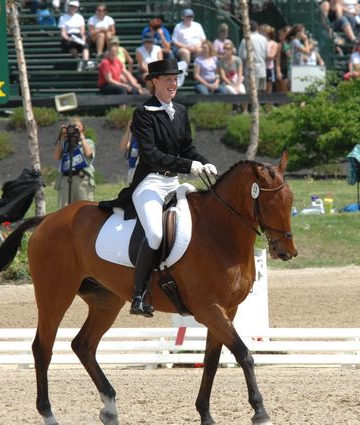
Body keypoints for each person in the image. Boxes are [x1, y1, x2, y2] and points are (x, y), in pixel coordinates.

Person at [101, 58, 218, 316]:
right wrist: (189, 167)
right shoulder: (143, 114)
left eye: (175, 79)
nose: (173, 84)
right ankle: (138, 295)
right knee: (155, 234)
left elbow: (188, 149)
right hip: (150, 183)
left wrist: (205, 163)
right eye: (168, 79)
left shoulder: (181, 112)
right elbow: (152, 155)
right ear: (154, 82)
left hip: (174, 184)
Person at [53, 117, 95, 208]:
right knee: (65, 209)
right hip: (65, 179)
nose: (75, 130)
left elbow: (88, 153)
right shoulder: (65, 144)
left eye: (78, 127)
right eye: (73, 127)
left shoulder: (88, 142)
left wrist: (82, 138)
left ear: (83, 130)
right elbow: (56, 157)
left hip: (82, 179)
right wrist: (61, 137)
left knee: (84, 208)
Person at [58, 0, 91, 71]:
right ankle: (78, 60)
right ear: (69, 7)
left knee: (85, 45)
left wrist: (83, 38)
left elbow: (82, 31)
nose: (73, 8)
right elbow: (63, 33)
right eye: (71, 6)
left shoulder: (80, 17)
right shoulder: (63, 18)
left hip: (78, 35)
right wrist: (68, 38)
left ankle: (85, 62)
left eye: (75, 7)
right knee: (70, 44)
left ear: (77, 8)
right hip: (69, 35)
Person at [237, 20, 268, 93]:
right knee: (260, 92)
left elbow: (242, 56)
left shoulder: (245, 40)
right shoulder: (264, 39)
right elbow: (265, 54)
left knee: (250, 92)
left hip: (250, 69)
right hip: (261, 69)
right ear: (257, 28)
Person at [260, 24, 280, 92]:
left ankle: (269, 102)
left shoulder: (273, 43)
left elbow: (271, 56)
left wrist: (260, 55)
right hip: (260, 67)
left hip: (269, 68)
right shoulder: (260, 42)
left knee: (268, 87)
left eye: (262, 31)